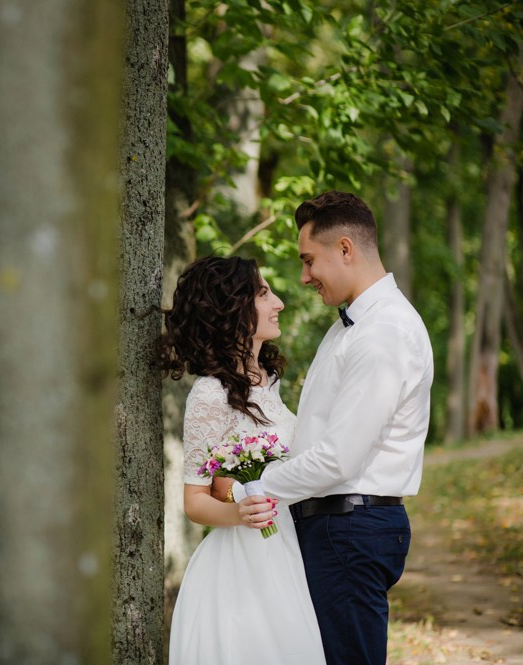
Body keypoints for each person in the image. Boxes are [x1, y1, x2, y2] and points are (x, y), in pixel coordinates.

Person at [244, 191, 434, 665]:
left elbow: (337, 458)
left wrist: (256, 487)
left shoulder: (383, 332)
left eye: (309, 260)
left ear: (345, 248)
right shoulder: (350, 326)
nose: (304, 277)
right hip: (336, 527)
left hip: (348, 530)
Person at [160, 255, 326, 665]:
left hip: (287, 543)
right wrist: (239, 512)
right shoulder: (210, 394)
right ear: (233, 307)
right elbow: (195, 501)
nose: (279, 302)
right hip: (242, 558)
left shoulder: (269, 382)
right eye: (264, 293)